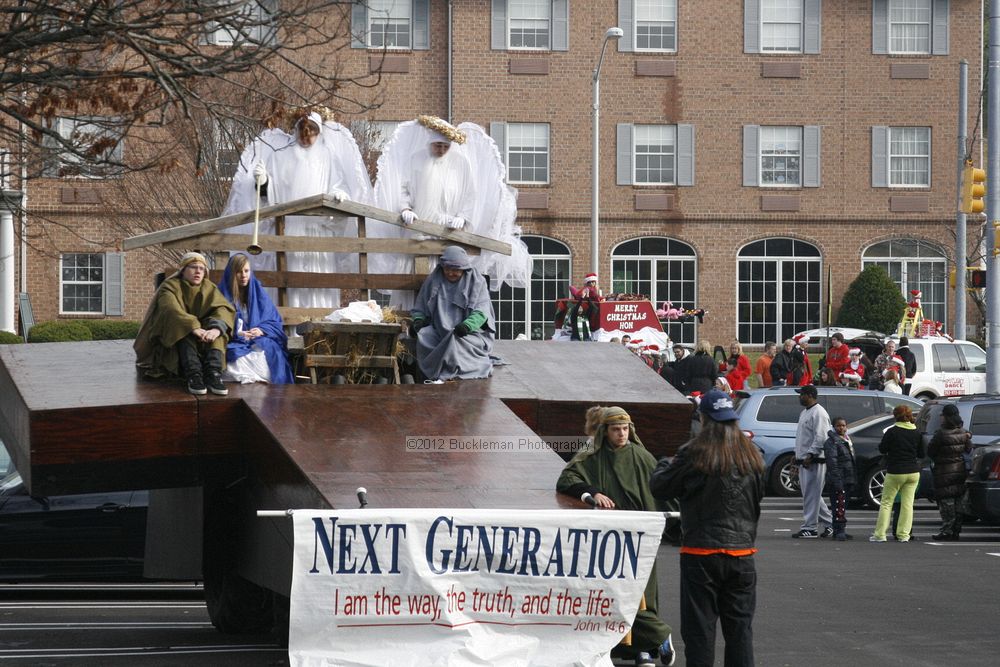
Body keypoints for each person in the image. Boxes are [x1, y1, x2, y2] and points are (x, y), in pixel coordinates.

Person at [650, 389, 765, 667]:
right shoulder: (752, 455)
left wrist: (666, 463)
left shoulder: (695, 453)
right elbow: (756, 499)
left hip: (701, 552)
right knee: (740, 632)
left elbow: (660, 486)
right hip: (741, 552)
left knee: (700, 631)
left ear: (704, 419)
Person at [556, 406, 675, 667]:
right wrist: (591, 493)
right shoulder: (592, 455)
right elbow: (567, 477)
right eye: (615, 429)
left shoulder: (642, 457)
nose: (621, 434)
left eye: (624, 429)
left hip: (639, 537)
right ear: (605, 431)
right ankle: (642, 641)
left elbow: (663, 490)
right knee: (611, 593)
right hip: (608, 537)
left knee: (641, 592)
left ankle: (646, 647)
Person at [372, 115, 531, 306]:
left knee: (443, 282)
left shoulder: (460, 164)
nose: (441, 150)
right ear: (430, 143)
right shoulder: (416, 160)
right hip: (416, 230)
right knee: (412, 281)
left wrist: (463, 218)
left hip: (447, 233)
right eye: (437, 145)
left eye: (445, 147)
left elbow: (470, 195)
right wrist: (405, 208)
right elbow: (402, 188)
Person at [223, 109, 373, 309]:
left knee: (319, 278)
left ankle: (320, 322)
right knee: (290, 279)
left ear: (318, 133)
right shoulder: (282, 156)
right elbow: (270, 196)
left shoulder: (327, 156)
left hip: (319, 232)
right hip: (289, 229)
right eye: (303, 132)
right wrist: (264, 182)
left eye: (312, 133)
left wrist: (339, 194)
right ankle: (292, 327)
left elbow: (338, 183)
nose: (307, 138)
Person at [134, 252, 236, 396]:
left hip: (204, 337)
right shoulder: (169, 286)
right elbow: (170, 309)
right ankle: (194, 375)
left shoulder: (209, 287)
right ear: (183, 269)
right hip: (176, 342)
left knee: (218, 333)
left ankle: (214, 374)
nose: (198, 271)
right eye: (193, 267)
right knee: (183, 331)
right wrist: (193, 327)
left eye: (202, 269)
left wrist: (215, 329)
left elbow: (222, 308)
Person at [411, 246, 496, 382]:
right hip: (439, 331)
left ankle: (454, 374)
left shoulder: (477, 283)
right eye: (447, 269)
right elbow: (420, 307)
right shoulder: (433, 281)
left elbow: (481, 311)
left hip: (467, 333)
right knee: (424, 336)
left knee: (455, 341)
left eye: (456, 270)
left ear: (464, 269)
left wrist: (467, 326)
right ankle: (434, 373)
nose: (451, 273)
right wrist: (419, 320)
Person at [217, 253, 294, 385]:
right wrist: (238, 333)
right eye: (238, 272)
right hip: (235, 341)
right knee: (235, 358)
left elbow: (273, 320)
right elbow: (218, 321)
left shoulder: (258, 292)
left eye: (246, 271)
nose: (244, 275)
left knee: (268, 354)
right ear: (231, 274)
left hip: (258, 340)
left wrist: (261, 330)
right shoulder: (222, 294)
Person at [871, 404, 925, 542]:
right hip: (913, 472)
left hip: (896, 471)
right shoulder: (917, 432)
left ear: (896, 416)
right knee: (908, 504)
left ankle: (880, 534)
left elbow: (883, 449)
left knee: (886, 502)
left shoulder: (892, 431)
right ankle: (904, 535)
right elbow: (921, 453)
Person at [791, 385, 833, 539]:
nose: (799, 397)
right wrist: (797, 454)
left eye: (801, 394)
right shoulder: (806, 412)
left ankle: (810, 528)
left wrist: (810, 454)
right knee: (813, 494)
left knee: (811, 494)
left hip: (816, 460)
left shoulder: (819, 413)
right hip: (805, 458)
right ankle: (830, 524)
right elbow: (803, 437)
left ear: (809, 395)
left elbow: (821, 437)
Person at [928, 404, 972, 541]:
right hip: (960, 470)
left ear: (946, 417)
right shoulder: (964, 432)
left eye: (942, 415)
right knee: (958, 501)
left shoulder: (940, 433)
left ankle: (947, 530)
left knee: (946, 502)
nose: (941, 417)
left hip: (944, 472)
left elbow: (930, 451)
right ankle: (956, 530)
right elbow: (969, 449)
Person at [823, 417, 856, 541]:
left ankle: (839, 529)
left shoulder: (846, 440)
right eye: (838, 426)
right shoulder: (831, 442)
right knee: (838, 505)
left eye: (843, 425)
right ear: (833, 427)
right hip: (838, 479)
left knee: (843, 505)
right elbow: (832, 463)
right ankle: (839, 530)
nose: (841, 428)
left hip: (847, 478)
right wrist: (837, 481)